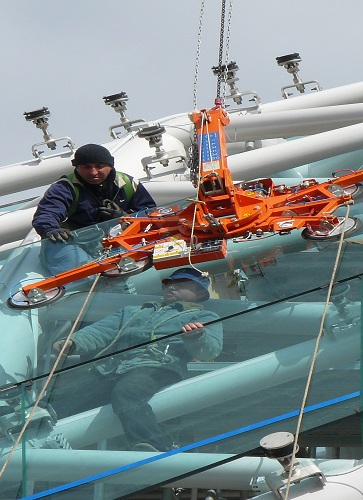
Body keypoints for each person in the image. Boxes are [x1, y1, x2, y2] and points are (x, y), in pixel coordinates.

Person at [49, 267, 223, 451]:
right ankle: (36, 423)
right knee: (65, 396)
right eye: (168, 284)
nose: (171, 287)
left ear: (200, 293)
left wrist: (197, 337)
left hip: (157, 366)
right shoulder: (133, 311)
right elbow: (102, 330)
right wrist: (74, 342)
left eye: (180, 284)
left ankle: (153, 446)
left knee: (128, 392)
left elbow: (210, 351)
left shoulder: (203, 317)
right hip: (113, 367)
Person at [32, 143, 157, 275]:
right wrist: (50, 229)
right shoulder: (65, 188)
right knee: (84, 276)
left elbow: (151, 214)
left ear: (110, 166)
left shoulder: (128, 183)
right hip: (76, 244)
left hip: (120, 240)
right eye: (86, 167)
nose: (93, 172)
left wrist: (124, 217)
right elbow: (48, 212)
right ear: (77, 167)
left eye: (99, 166)